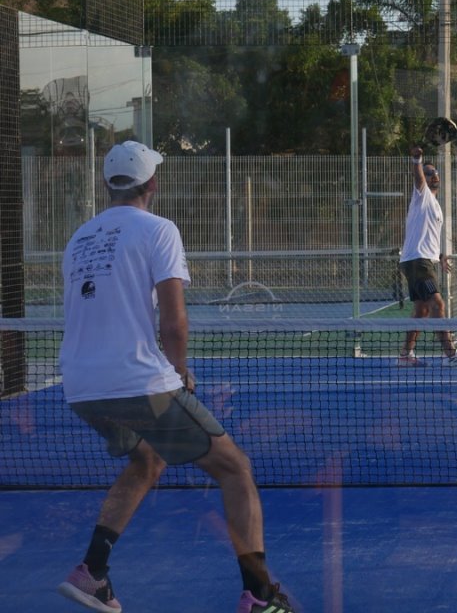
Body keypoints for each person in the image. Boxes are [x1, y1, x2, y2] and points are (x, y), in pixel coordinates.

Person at [57, 141, 294, 613]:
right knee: (235, 469)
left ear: (108, 185)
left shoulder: (79, 238)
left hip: (80, 388)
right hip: (138, 382)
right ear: (153, 185)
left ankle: (92, 571)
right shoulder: (160, 230)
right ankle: (259, 596)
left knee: (147, 461)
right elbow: (174, 324)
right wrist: (180, 372)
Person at [398, 146, 457, 367]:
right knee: (437, 304)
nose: (433, 175)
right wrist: (417, 160)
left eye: (435, 172)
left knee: (422, 309)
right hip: (418, 261)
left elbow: (426, 234)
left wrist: (439, 255)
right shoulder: (421, 195)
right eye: (429, 172)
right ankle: (450, 355)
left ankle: (405, 355)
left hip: (421, 260)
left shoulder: (436, 206)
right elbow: (418, 177)